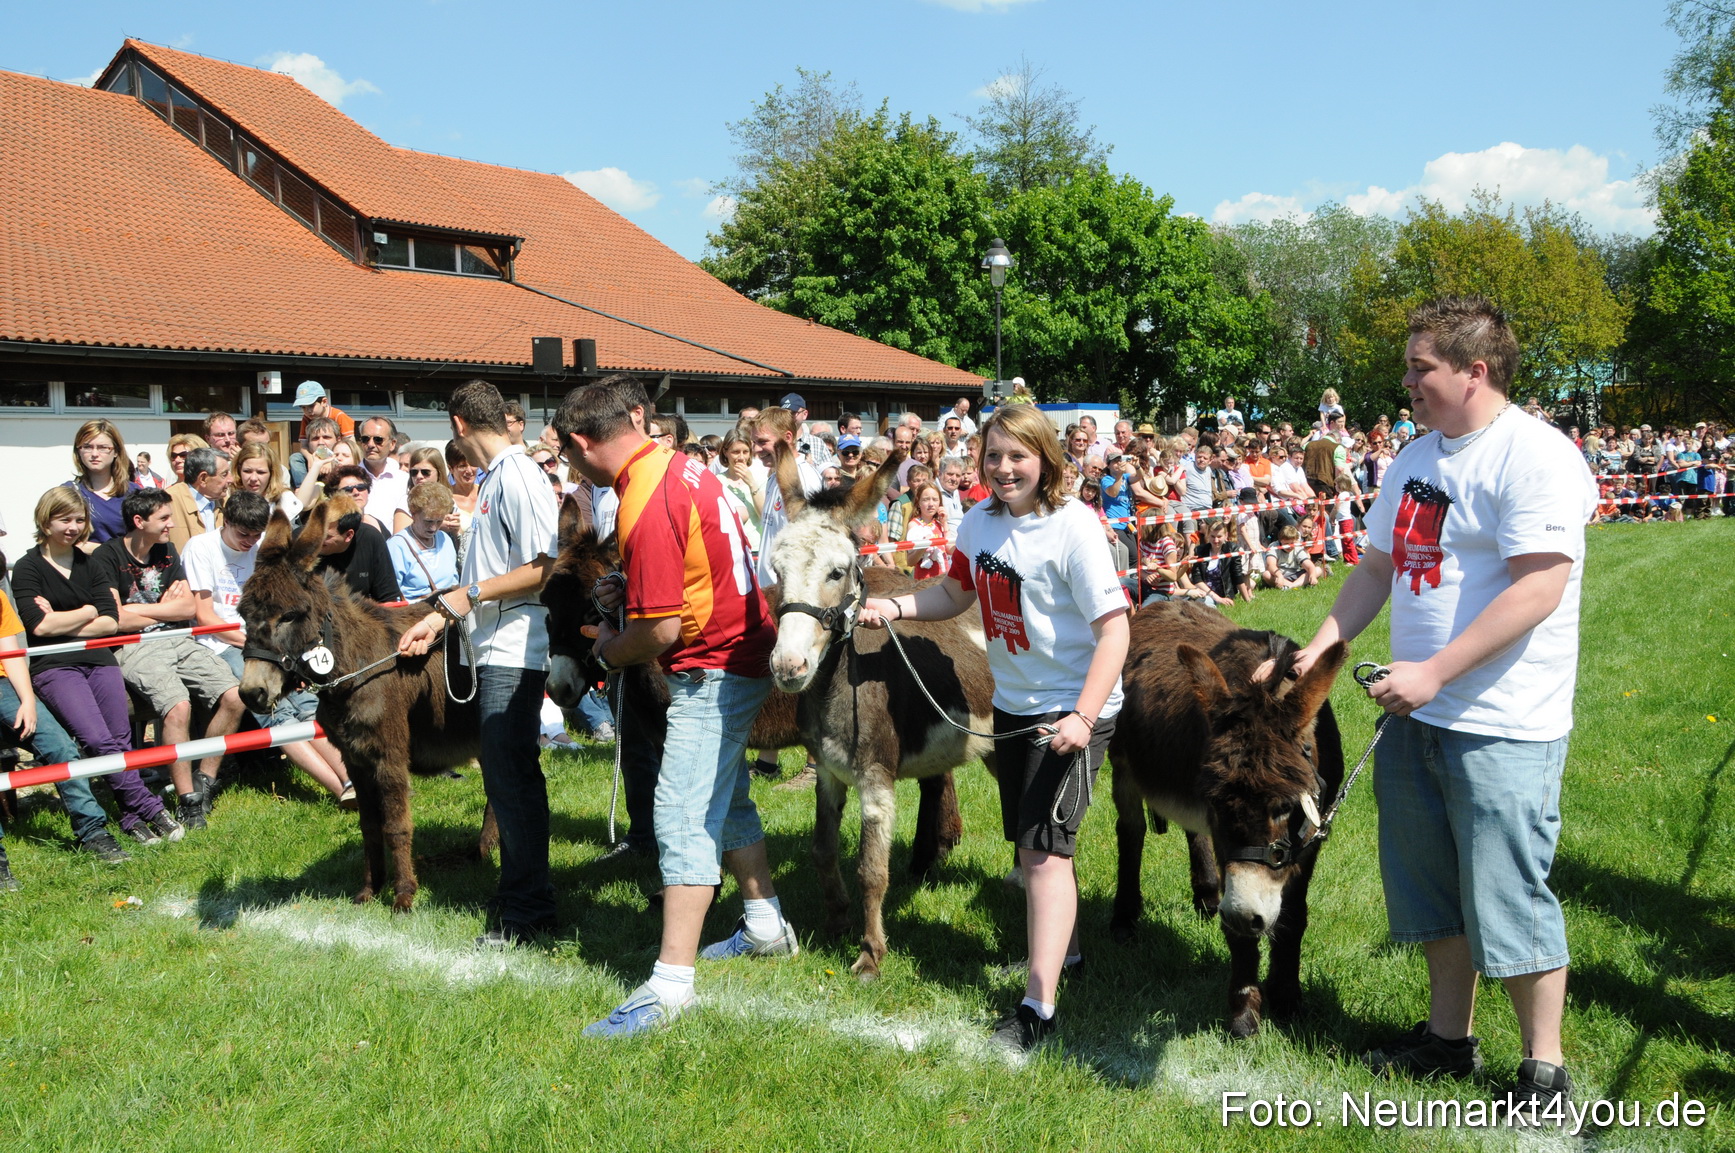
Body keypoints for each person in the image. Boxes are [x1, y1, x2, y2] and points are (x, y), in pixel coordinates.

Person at [1269, 297, 1595, 1116]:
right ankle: (1447, 1040)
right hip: (1417, 715)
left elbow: (1538, 587)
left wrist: (1437, 671)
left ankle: (1543, 1068)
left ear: (1473, 371)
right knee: (1430, 895)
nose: (1406, 381)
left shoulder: (1536, 457)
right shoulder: (1416, 455)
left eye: (1421, 367)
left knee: (1508, 897)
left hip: (1502, 721)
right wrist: (1318, 647)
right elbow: (1377, 567)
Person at [858, 403, 1128, 1054]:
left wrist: (1083, 716)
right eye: (993, 455)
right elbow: (953, 593)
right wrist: (894, 603)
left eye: (1018, 455)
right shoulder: (977, 521)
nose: (1003, 468)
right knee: (1037, 847)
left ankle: (1037, 1008)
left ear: (1046, 460)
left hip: (1070, 708)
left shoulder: (1074, 528)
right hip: (1015, 705)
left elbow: (1115, 630)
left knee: (1041, 853)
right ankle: (1064, 957)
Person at [550, 375, 791, 1039]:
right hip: (740, 648)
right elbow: (701, 557)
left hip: (714, 665)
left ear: (577, 440)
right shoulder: (680, 465)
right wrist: (633, 580)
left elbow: (657, 632)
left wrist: (601, 652)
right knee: (728, 796)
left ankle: (670, 985)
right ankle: (767, 925)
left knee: (682, 812)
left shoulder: (644, 498)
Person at [397, 380, 561, 945]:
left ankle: (526, 912)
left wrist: (465, 598)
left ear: (460, 425)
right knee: (507, 775)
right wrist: (442, 616)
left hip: (515, 651)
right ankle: (524, 900)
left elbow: (544, 567)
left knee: (511, 779)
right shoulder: (497, 480)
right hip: (491, 645)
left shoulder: (518, 476)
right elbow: (489, 575)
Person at [12, 488, 183, 845]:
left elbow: (110, 621)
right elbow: (38, 627)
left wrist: (72, 617)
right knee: (96, 739)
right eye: (65, 520)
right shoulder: (28, 567)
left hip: (100, 657)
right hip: (54, 666)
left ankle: (130, 817)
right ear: (45, 521)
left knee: (119, 739)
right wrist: (90, 610)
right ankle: (147, 805)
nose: (73, 527)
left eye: (79, 520)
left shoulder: (91, 563)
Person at [182, 490, 354, 806]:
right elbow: (205, 615)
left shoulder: (263, 549)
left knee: (305, 705)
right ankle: (340, 787)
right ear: (226, 521)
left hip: (269, 643)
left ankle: (354, 779)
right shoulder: (200, 548)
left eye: (256, 535)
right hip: (223, 643)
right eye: (243, 534)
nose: (250, 542)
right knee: (276, 712)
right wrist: (257, 643)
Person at [91, 487, 246, 829]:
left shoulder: (166, 551)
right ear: (138, 521)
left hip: (177, 637)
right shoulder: (106, 556)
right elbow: (116, 619)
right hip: (132, 645)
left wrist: (142, 609)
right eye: (163, 518)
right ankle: (187, 800)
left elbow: (189, 608)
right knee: (178, 706)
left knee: (235, 696)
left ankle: (205, 779)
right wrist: (163, 609)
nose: (171, 524)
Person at [0, 584, 134, 864]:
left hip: (5, 687)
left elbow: (10, 654)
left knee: (61, 748)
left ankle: (92, 830)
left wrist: (27, 700)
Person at [750, 406, 823, 588]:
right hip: (771, 592)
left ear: (788, 438)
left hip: (789, 596)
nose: (756, 450)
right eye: (754, 442)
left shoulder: (805, 479)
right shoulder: (774, 477)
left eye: (762, 441)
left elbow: (810, 544)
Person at [315, 493, 403, 604]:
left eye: (326, 536)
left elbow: (388, 599)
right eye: (316, 531)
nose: (317, 539)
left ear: (348, 535)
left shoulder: (371, 539)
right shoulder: (301, 541)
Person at [65, 419, 140, 544]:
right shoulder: (69, 492)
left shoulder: (135, 493)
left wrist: (96, 550)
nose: (94, 454)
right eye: (87, 447)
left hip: (122, 563)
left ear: (116, 451)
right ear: (78, 451)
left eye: (103, 448)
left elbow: (145, 541)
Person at [388, 483, 460, 600]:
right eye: (428, 521)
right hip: (416, 614)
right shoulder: (397, 546)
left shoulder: (445, 539)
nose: (433, 528)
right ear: (413, 513)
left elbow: (454, 581)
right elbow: (392, 595)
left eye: (438, 521)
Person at [166, 446, 228, 552]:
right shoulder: (168, 502)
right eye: (224, 474)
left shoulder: (226, 501)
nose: (230, 479)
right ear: (203, 478)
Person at [356, 417, 411, 533]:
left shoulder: (405, 479)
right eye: (365, 439)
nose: (370, 444)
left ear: (392, 444)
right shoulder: (351, 479)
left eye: (378, 440)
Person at [233, 443, 309, 521]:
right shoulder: (230, 495)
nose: (253, 478)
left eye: (260, 472)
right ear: (239, 470)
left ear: (272, 473)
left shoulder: (284, 501)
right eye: (247, 471)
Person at [289, 415, 342, 489]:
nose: (321, 442)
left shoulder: (344, 458)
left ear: (338, 439)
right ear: (308, 442)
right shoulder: (300, 464)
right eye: (315, 438)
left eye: (326, 437)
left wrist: (332, 462)